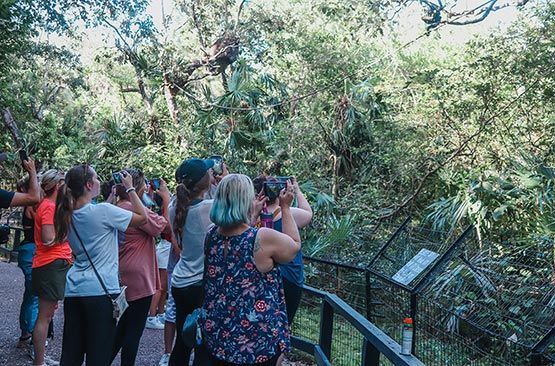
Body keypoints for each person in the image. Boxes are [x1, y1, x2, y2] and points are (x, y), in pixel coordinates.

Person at [200, 174, 301, 365]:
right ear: (246, 200)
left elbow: (236, 240)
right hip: (255, 341)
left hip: (220, 335)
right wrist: (285, 207)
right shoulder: (261, 238)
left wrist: (252, 216)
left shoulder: (211, 233)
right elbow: (293, 247)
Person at [54, 164, 147, 366]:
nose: (99, 182)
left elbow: (97, 215)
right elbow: (143, 218)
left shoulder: (66, 215)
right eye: (96, 179)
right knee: (99, 355)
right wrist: (130, 189)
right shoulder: (104, 211)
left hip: (75, 290)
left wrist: (110, 200)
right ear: (88, 185)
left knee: (71, 354)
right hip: (101, 292)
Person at [110, 169, 171, 366]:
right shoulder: (133, 209)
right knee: (134, 330)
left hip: (123, 269)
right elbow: (162, 226)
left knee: (123, 327)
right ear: (137, 187)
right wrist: (167, 200)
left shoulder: (116, 206)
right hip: (139, 275)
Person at [168, 158, 215, 366]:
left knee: (184, 340)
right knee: (203, 344)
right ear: (205, 181)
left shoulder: (174, 207)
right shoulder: (209, 208)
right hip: (200, 285)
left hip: (180, 281)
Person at [252, 176, 312, 324]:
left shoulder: (252, 215)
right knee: (285, 321)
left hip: (263, 275)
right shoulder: (288, 212)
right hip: (289, 276)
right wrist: (296, 191)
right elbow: (308, 213)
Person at [32, 169, 73, 366]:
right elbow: (48, 239)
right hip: (49, 265)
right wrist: (67, 235)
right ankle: (38, 362)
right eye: (64, 182)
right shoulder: (48, 206)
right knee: (44, 317)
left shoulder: (50, 205)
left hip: (52, 264)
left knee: (47, 315)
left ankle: (40, 358)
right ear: (57, 185)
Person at [14, 177, 39, 350]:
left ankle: (27, 333)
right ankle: (29, 334)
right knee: (34, 294)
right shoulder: (31, 206)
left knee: (31, 295)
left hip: (30, 251)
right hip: (30, 252)